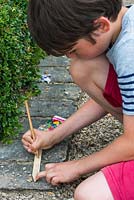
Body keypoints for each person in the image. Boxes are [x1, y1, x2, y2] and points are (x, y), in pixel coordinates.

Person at [22, 0, 134, 199]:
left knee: (89, 194)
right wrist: (54, 135)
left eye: (72, 49)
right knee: (83, 67)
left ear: (101, 26)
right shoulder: (124, 22)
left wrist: (77, 166)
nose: (70, 56)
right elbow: (126, 96)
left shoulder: (129, 55)